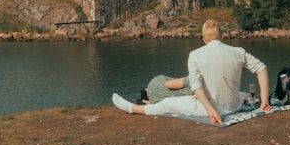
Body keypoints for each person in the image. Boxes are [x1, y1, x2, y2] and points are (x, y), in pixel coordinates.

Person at [112, 19, 271, 124]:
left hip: (209, 109)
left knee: (167, 103)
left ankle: (132, 108)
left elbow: (197, 88)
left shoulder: (196, 55)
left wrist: (211, 111)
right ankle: (141, 103)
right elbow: (262, 68)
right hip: (234, 107)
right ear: (222, 36)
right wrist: (264, 101)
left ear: (204, 39)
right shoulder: (238, 51)